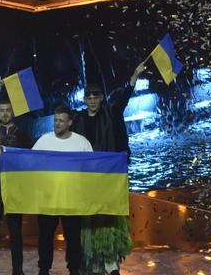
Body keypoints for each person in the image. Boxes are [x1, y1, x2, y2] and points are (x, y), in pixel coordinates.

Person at [72, 63, 145, 275]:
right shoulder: (78, 120)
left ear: (101, 98)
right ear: (85, 100)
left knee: (110, 217)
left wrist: (134, 76)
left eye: (96, 96)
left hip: (109, 176)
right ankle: (94, 260)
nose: (93, 100)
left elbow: (122, 98)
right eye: (89, 97)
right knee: (89, 219)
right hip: (86, 178)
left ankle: (111, 260)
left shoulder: (111, 113)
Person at [33, 105, 93, 275]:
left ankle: (74, 269)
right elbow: (29, 163)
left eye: (61, 120)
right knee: (45, 237)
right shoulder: (44, 140)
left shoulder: (81, 142)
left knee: (73, 238)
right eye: (55, 120)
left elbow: (91, 169)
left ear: (70, 122)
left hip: (72, 200)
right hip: (48, 199)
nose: (57, 124)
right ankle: (43, 269)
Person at [0, 79, 32, 275]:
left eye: (8, 110)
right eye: (1, 110)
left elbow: (28, 160)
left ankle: (17, 270)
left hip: (14, 189)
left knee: (16, 232)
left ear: (14, 112)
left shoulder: (24, 135)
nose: (4, 113)